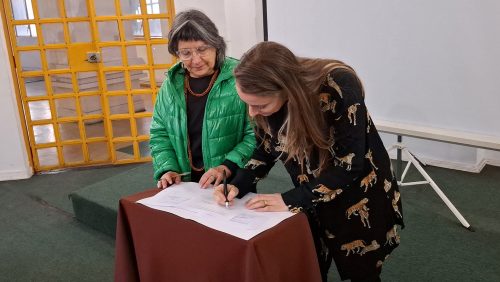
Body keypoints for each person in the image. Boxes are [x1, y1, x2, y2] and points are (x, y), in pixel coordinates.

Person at [214, 41, 404, 282]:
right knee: (311, 263)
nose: (252, 112)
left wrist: (288, 199)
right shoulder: (264, 104)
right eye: (247, 104)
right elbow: (264, 149)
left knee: (362, 269)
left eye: (259, 105)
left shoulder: (338, 85)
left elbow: (350, 166)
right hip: (310, 191)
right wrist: (237, 184)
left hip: (358, 191)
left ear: (286, 89)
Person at [150, 9, 255, 189]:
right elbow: (159, 133)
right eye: (186, 53)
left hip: (230, 181)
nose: (195, 60)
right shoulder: (171, 84)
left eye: (202, 49)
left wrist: (226, 167)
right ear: (177, 53)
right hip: (184, 185)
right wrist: (167, 168)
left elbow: (256, 134)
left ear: (216, 45)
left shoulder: (240, 78)